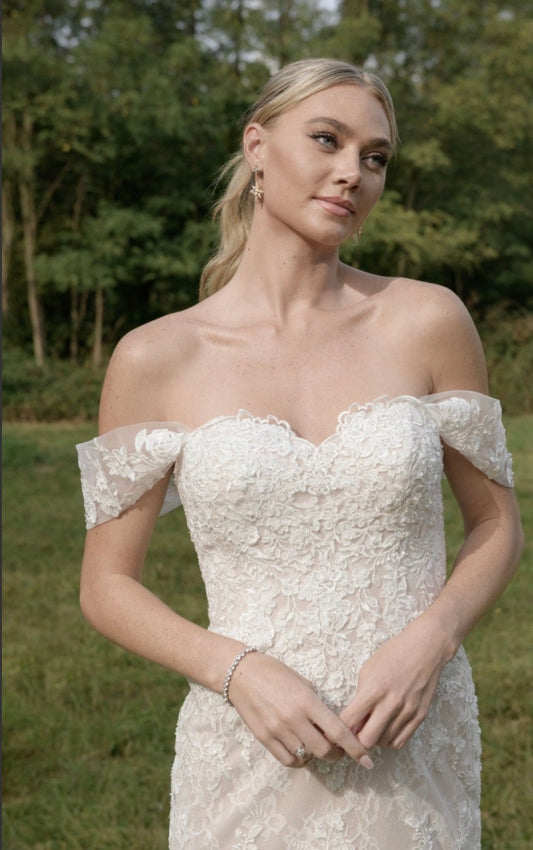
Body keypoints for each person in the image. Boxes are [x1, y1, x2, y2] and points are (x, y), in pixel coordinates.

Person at [77, 58, 523, 849]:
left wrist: (433, 639)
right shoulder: (155, 357)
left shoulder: (428, 321)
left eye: (374, 157)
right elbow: (106, 584)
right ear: (257, 146)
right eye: (327, 140)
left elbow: (495, 524)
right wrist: (236, 671)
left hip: (413, 745)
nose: (353, 172)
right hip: (247, 749)